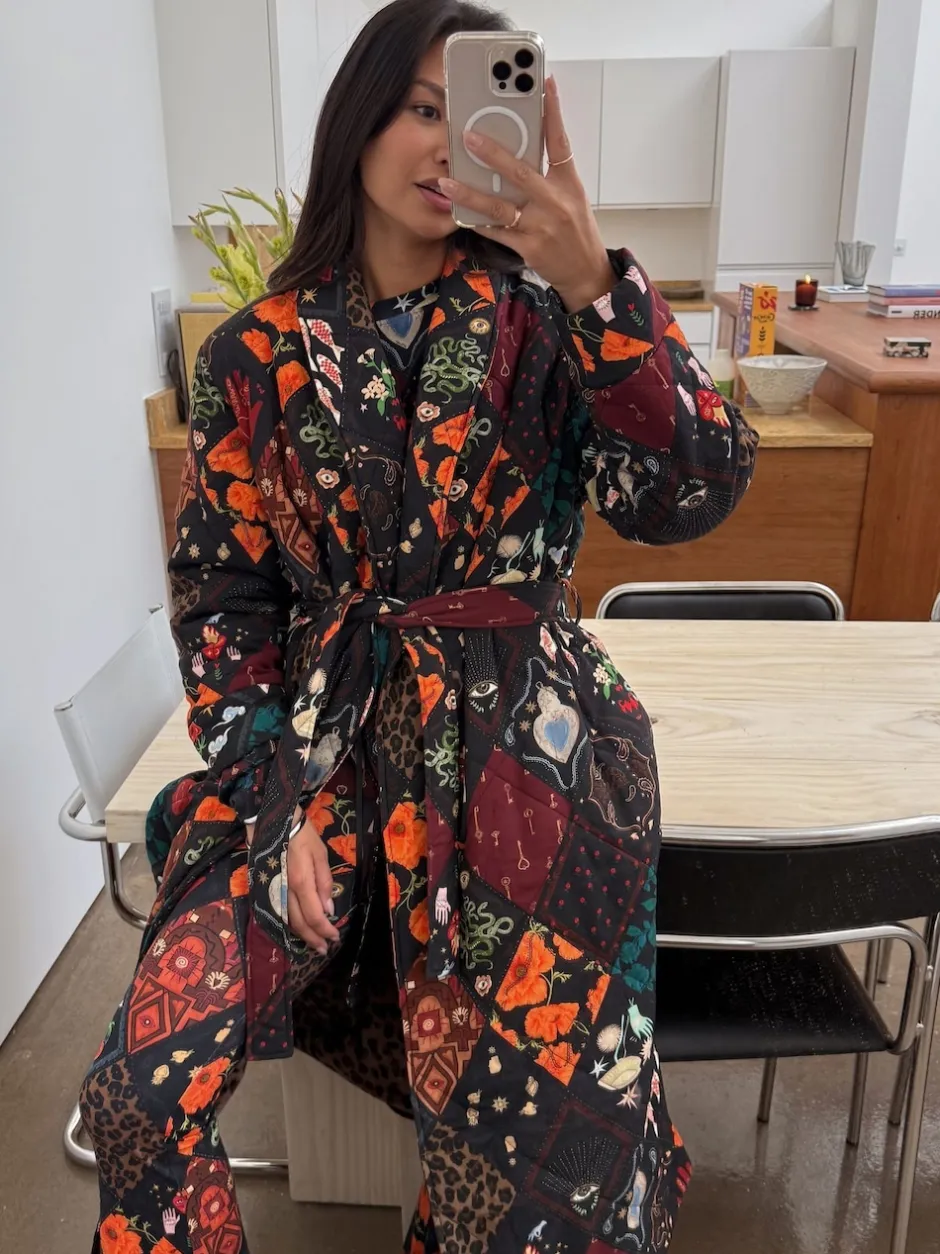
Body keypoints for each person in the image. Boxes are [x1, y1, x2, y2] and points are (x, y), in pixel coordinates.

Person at [79, 1, 758, 1251]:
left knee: (517, 1172)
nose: (452, 145)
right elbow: (223, 603)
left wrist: (594, 281)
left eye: (481, 113)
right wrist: (273, 800)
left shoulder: (549, 327)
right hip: (323, 751)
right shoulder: (252, 357)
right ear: (358, 120)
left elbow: (690, 495)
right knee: (140, 1096)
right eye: (422, 108)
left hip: (524, 761)